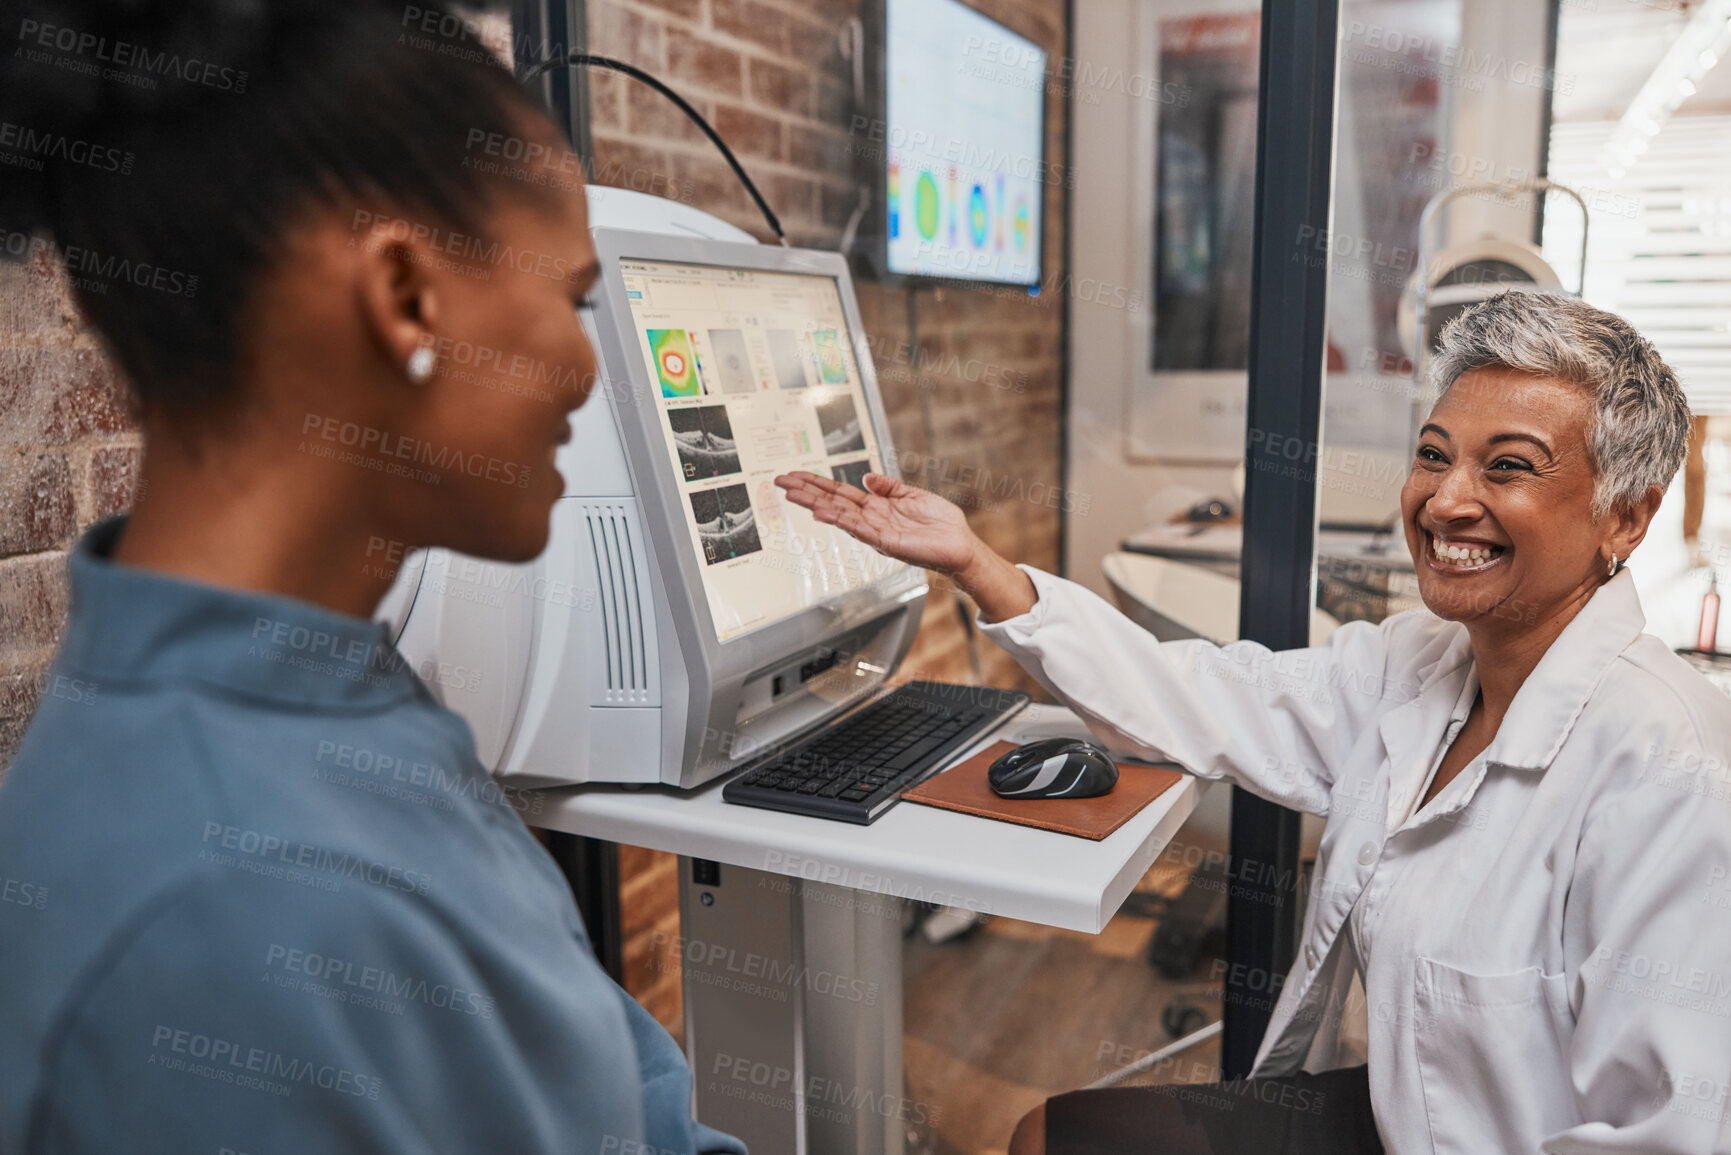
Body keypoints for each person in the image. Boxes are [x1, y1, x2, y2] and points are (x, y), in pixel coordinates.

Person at [0, 3, 743, 1152]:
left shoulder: (337, 690)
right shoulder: (211, 929)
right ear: (405, 296)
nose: (588, 367)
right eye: (575, 298)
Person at [778, 292, 1731, 1154]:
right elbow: (1195, 694)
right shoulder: (1417, 666)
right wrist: (981, 565)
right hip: (1408, 1115)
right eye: (1433, 455)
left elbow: (1664, 1134)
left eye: (1508, 468)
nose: (1445, 500)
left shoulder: (1669, 772)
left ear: (1627, 517)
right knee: (1047, 1138)